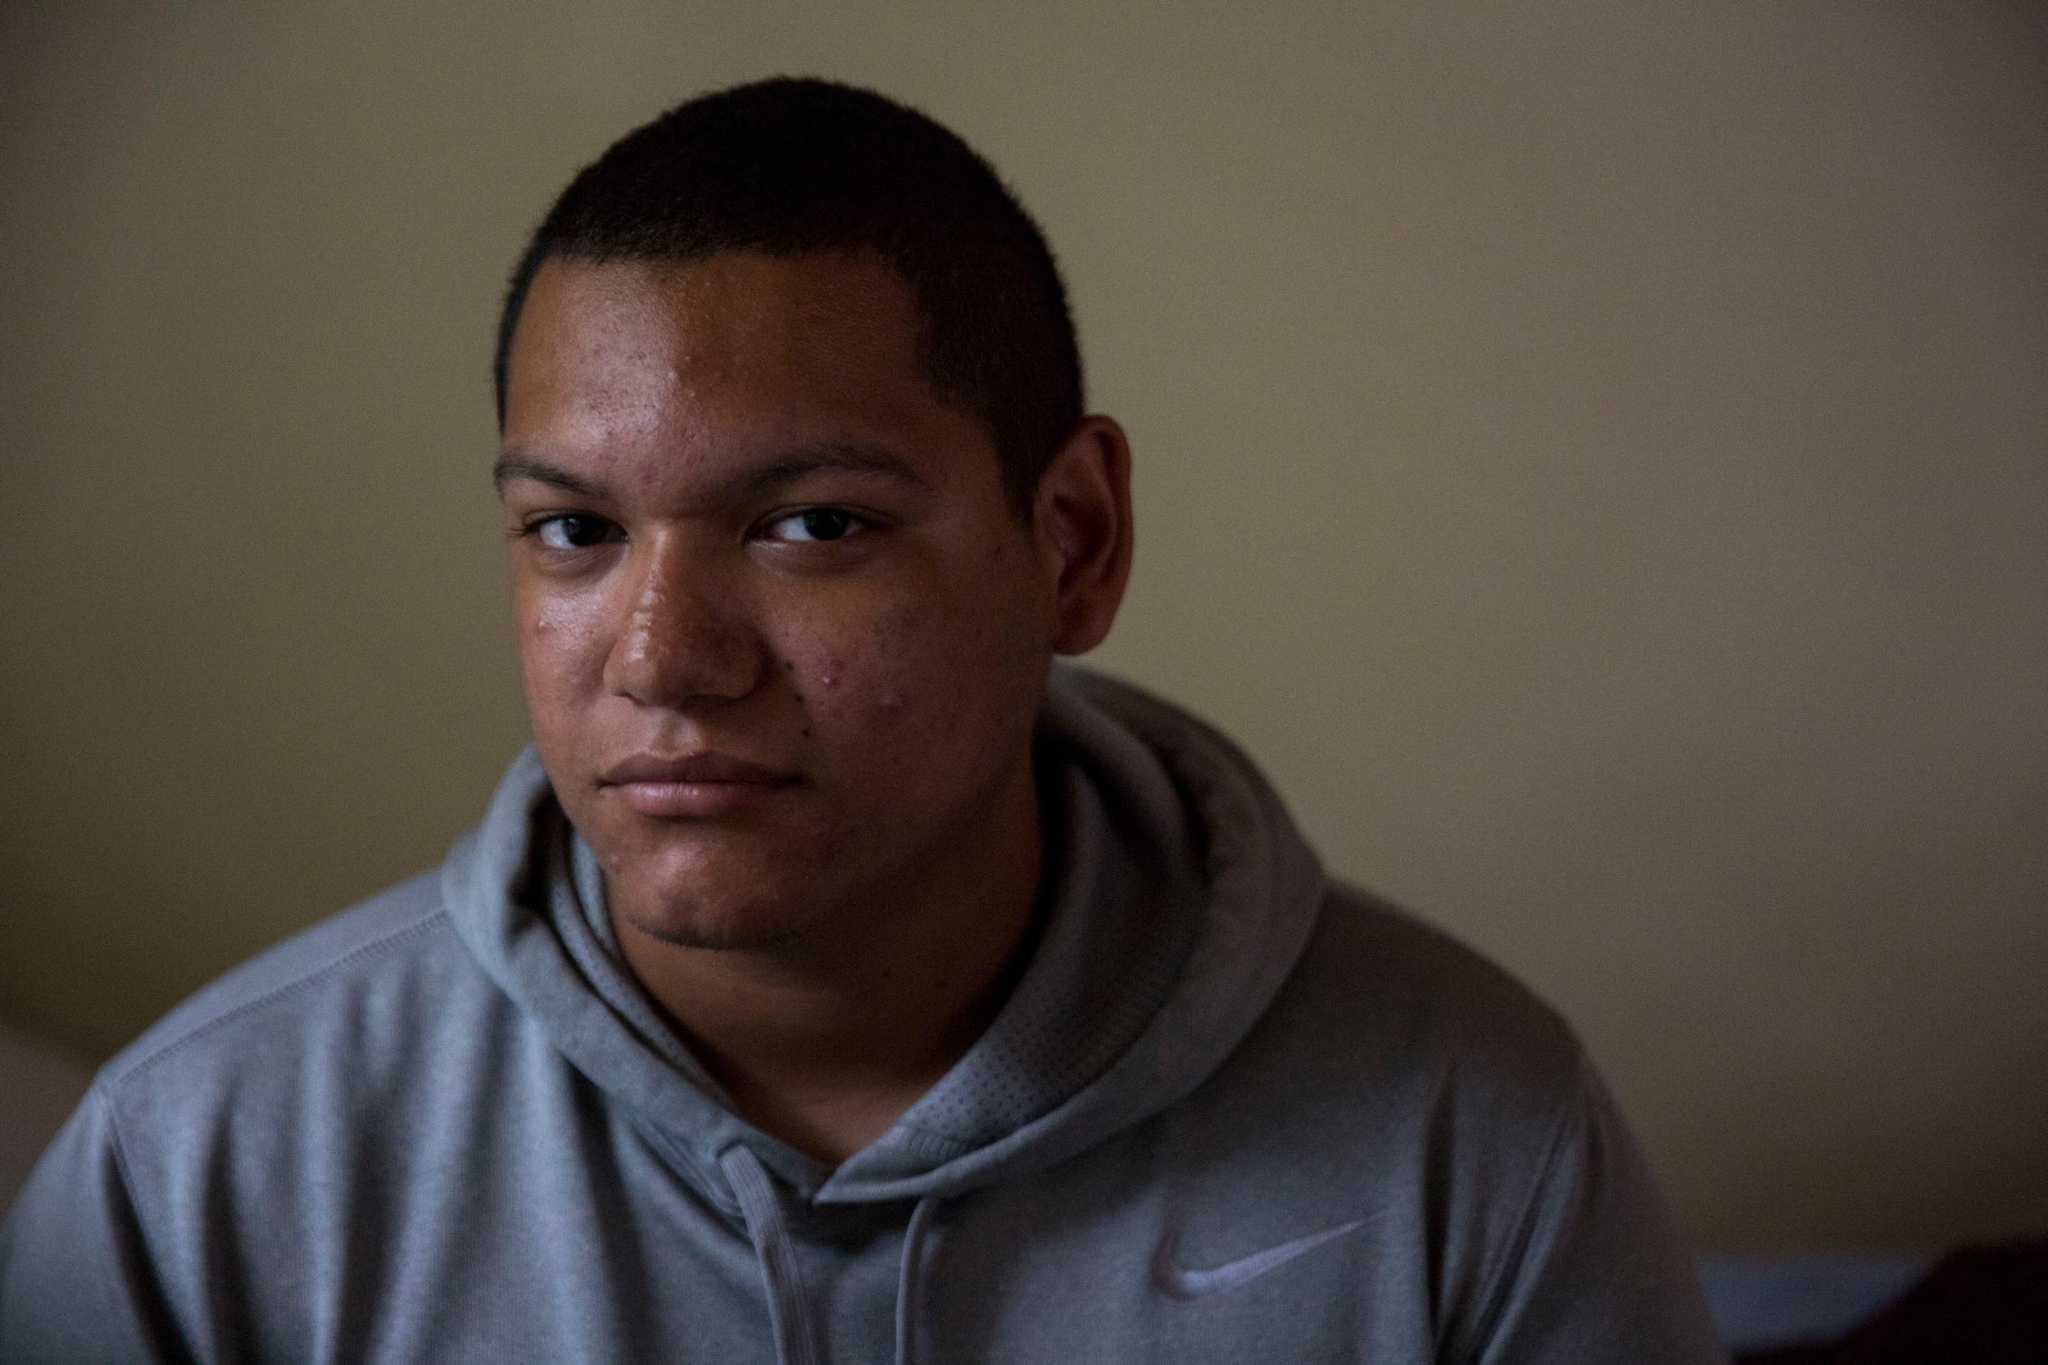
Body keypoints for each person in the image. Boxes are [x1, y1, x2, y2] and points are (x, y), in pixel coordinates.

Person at [0, 78, 1724, 1363]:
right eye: (575, 531)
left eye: (812, 524)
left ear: (1072, 543)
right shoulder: (199, 1173)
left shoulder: (1465, 1135)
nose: (664, 659)